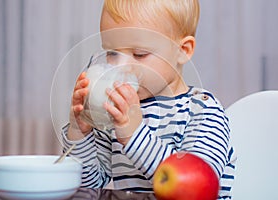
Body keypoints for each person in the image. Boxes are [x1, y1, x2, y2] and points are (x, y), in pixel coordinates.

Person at [62, 0, 236, 199]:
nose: (122, 66)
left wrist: (133, 134)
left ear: (183, 50)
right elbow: (89, 186)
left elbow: (195, 188)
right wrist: (79, 132)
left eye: (139, 54)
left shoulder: (202, 111)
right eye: (112, 53)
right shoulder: (117, 110)